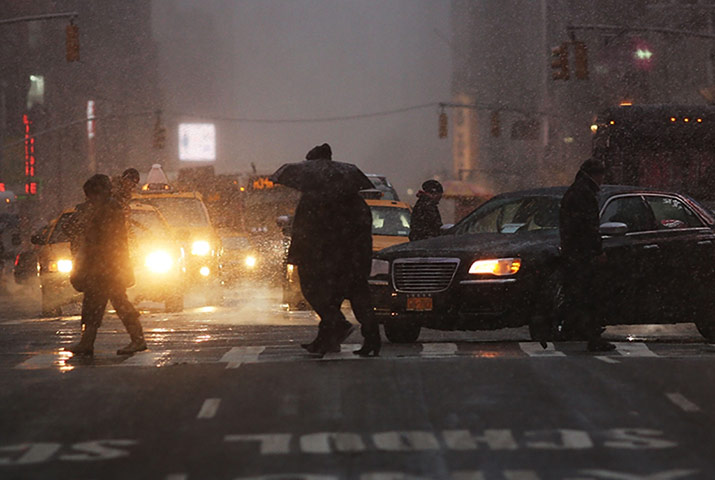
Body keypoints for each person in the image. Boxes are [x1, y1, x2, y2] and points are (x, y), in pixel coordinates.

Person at [287, 144, 380, 356]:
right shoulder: (353, 199)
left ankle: (337, 327)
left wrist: (298, 255)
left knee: (318, 295)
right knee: (353, 299)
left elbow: (303, 229)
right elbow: (363, 229)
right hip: (352, 258)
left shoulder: (314, 198)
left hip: (324, 258)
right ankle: (340, 340)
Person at [67, 174, 147, 356]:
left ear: (99, 193)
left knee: (115, 302)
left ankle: (137, 340)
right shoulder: (104, 208)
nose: (90, 199)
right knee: (95, 304)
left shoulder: (109, 210)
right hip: (105, 267)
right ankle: (88, 342)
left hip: (108, 268)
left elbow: (105, 241)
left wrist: (95, 262)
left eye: (92, 194)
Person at [559, 158, 615, 352]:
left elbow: (573, 226)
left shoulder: (575, 192)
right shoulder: (585, 194)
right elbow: (589, 227)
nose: (602, 180)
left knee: (577, 295)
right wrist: (597, 250)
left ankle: (569, 329)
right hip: (583, 254)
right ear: (596, 175)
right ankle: (593, 337)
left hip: (573, 253)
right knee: (592, 296)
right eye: (601, 175)